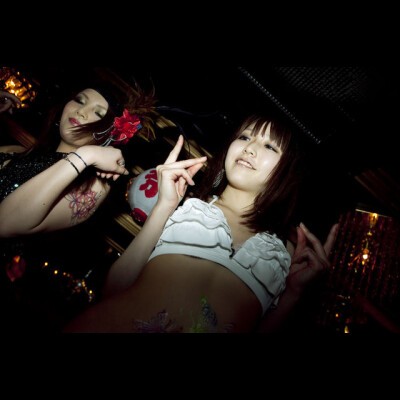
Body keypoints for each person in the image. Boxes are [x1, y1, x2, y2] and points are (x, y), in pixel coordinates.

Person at [64, 112, 338, 333]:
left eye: (269, 145)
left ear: (288, 171)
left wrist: (293, 294)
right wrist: (164, 207)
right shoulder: (184, 206)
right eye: (245, 136)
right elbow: (114, 291)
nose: (250, 148)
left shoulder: (285, 254)